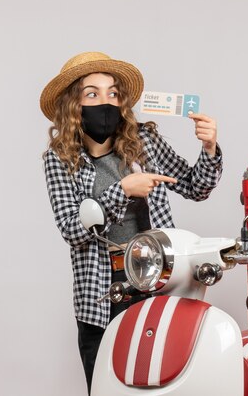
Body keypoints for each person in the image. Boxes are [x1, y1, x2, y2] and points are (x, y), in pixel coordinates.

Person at [40, 51, 222, 394]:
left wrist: (209, 147)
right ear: (73, 106)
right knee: (107, 384)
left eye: (113, 93)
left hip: (159, 277)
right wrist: (122, 190)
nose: (105, 101)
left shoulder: (144, 142)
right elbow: (72, 230)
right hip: (102, 288)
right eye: (92, 93)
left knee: (165, 381)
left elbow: (196, 186)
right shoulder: (59, 159)